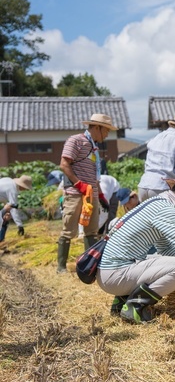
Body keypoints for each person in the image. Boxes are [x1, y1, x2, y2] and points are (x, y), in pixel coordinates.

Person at [97, 172, 175, 323]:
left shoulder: (159, 202)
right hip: (115, 274)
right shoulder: (166, 209)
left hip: (110, 272)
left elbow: (164, 249)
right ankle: (135, 306)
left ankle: (121, 300)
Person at [57, 113, 115, 273]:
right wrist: (78, 184)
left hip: (91, 194)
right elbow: (64, 164)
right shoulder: (76, 140)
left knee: (91, 231)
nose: (107, 134)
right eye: (106, 130)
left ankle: (88, 265)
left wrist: (101, 195)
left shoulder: (94, 148)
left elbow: (95, 176)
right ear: (97, 128)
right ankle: (61, 267)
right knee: (69, 230)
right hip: (75, 193)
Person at [137, 110, 175, 201]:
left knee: (147, 215)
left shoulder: (157, 137)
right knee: (165, 215)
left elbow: (147, 162)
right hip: (162, 187)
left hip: (143, 186)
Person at [0, 175, 32, 242]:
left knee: (5, 216)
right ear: (22, 186)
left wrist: (6, 211)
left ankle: (1, 239)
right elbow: (13, 209)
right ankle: (0, 239)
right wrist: (20, 225)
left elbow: (4, 197)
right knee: (3, 219)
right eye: (25, 188)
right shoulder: (13, 190)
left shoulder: (9, 180)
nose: (25, 189)